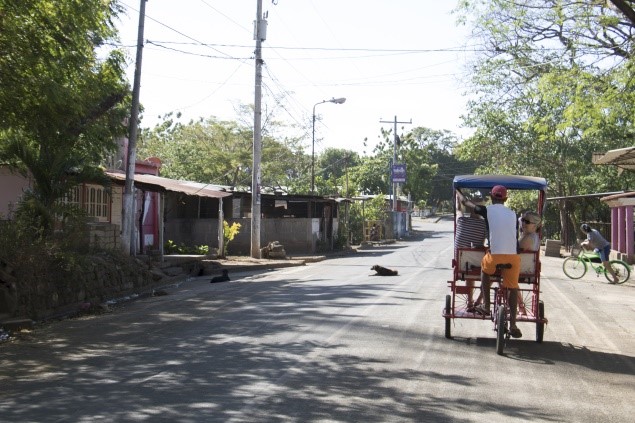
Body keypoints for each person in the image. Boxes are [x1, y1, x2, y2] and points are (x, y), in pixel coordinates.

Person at [456, 184, 523, 338]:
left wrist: (458, 191)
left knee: (485, 270)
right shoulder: (513, 214)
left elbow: (466, 203)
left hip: (495, 255)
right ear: (505, 199)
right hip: (513, 257)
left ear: (492, 198)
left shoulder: (486, 210)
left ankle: (486, 305)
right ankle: (513, 324)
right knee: (512, 288)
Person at [455, 194, 487, 309]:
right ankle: (479, 299)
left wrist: (458, 198)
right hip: (477, 265)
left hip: (461, 264)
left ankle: (470, 301)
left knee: (469, 268)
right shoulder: (484, 225)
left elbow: (458, 210)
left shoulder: (461, 221)